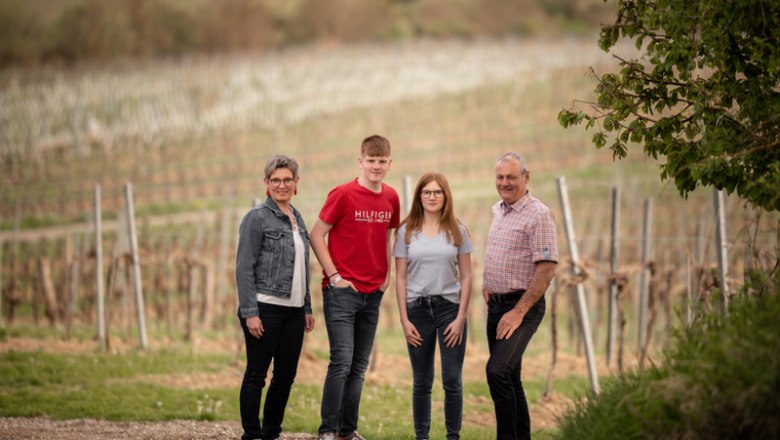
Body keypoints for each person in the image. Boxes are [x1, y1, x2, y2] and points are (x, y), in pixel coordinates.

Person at [310, 135, 401, 440]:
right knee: (342, 361)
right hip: (342, 292)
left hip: (373, 292)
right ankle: (327, 431)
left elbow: (388, 236)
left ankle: (347, 431)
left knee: (359, 366)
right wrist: (334, 276)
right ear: (360, 161)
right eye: (371, 160)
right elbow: (316, 235)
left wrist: (386, 275)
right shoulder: (343, 194)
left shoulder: (391, 197)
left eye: (382, 161)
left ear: (389, 164)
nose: (376, 166)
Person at [235, 155, 316, 440]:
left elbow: (302, 267)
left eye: (287, 180)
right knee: (257, 375)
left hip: (293, 312)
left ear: (296, 183)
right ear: (266, 184)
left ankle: (271, 433)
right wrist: (250, 312)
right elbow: (244, 267)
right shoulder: (256, 218)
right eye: (276, 180)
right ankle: (252, 434)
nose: (282, 185)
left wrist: (306, 306)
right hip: (264, 307)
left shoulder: (298, 217)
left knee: (285, 378)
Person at [483, 152, 558, 440]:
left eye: (511, 177)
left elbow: (547, 268)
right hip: (497, 304)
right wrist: (487, 282)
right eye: (500, 177)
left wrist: (518, 311)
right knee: (511, 377)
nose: (505, 183)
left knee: (498, 372)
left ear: (526, 178)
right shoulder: (498, 209)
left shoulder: (539, 215)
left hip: (522, 305)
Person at [393, 172, 473, 440]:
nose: (432, 197)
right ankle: (422, 437)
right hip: (417, 310)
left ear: (445, 196)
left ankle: (453, 436)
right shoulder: (405, 231)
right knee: (422, 382)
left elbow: (468, 276)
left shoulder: (458, 230)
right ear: (419, 196)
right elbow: (401, 277)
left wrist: (461, 317)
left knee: (452, 380)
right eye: (426, 192)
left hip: (450, 308)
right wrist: (404, 320)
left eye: (437, 192)